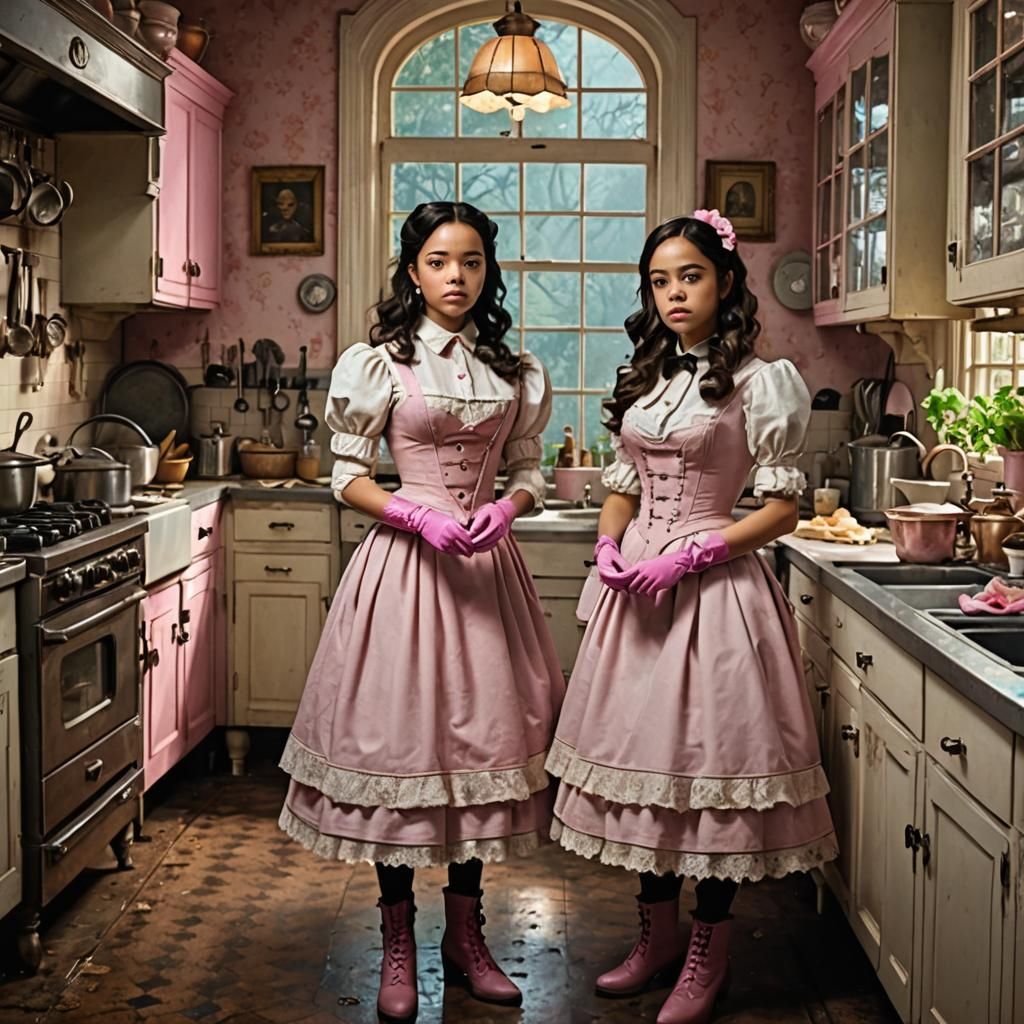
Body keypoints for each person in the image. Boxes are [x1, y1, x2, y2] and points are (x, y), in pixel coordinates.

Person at [546, 210, 838, 1024]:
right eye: (660, 280)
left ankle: (708, 951)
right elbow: (622, 484)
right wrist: (608, 549)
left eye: (691, 277)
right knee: (647, 774)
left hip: (714, 594)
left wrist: (699, 551)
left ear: (725, 283)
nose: (674, 293)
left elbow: (784, 507)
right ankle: (657, 938)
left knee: (707, 771)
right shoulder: (645, 375)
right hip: (635, 591)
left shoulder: (760, 380)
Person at [278, 201, 564, 1023]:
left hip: (486, 577)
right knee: (404, 754)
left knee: (483, 752)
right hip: (405, 571)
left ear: (488, 272)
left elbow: (525, 470)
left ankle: (465, 940)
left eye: (471, 263)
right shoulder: (379, 364)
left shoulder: (511, 369)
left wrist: (507, 510)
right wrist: (417, 513)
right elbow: (346, 477)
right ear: (414, 271)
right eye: (440, 262)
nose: (456, 278)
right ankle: (398, 942)